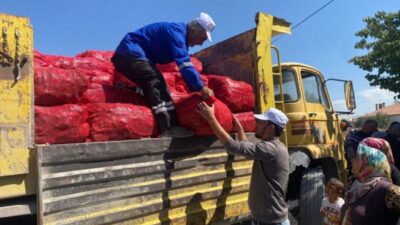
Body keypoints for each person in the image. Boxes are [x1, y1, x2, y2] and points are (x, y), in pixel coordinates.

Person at [112, 12, 216, 137]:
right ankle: (169, 128)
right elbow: (184, 64)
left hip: (127, 55)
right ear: (193, 30)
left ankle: (127, 90)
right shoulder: (177, 33)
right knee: (157, 82)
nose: (201, 44)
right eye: (202, 39)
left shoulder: (178, 33)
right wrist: (200, 87)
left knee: (151, 84)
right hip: (131, 52)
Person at [196, 104, 290, 225]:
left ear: (270, 128)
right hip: (264, 220)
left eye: (261, 122)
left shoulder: (271, 149)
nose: (257, 124)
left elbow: (233, 146)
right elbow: (248, 152)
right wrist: (239, 129)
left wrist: (211, 118)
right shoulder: (274, 147)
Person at [341, 141, 400, 225]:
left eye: (357, 157)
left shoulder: (388, 190)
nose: (352, 160)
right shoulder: (354, 185)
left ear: (368, 163)